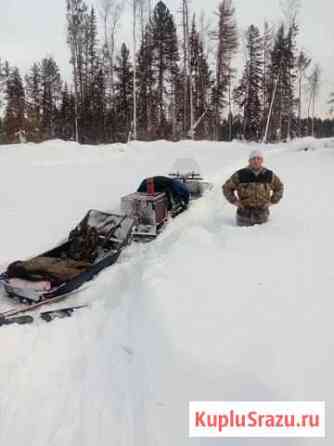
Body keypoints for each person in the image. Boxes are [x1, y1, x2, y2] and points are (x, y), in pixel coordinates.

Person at [222, 150, 284, 226]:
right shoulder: (240, 174)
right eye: (253, 158)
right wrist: (235, 201)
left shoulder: (269, 175)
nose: (256, 161)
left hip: (262, 216)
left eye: (258, 158)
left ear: (262, 161)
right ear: (249, 161)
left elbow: (279, 187)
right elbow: (226, 188)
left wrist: (272, 201)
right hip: (243, 216)